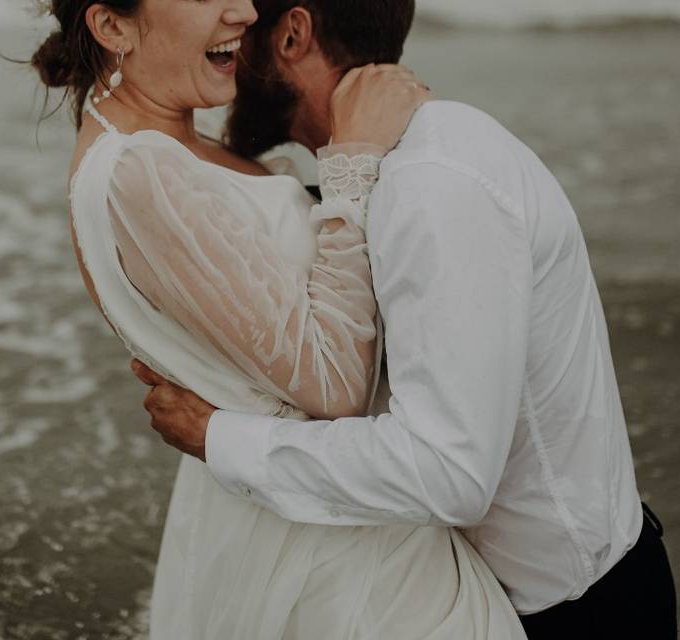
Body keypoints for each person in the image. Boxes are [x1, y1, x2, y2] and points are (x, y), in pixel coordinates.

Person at [132, 1, 680, 638]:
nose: (228, 33)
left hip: (576, 615)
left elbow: (448, 470)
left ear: (292, 34)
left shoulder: (432, 180)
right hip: (491, 595)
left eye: (246, 21)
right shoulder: (376, 169)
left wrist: (219, 438)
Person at [33, 0, 528, 637]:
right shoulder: (138, 171)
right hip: (333, 556)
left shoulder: (177, 149)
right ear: (112, 26)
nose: (244, 10)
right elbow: (334, 386)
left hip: (314, 500)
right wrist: (351, 160)